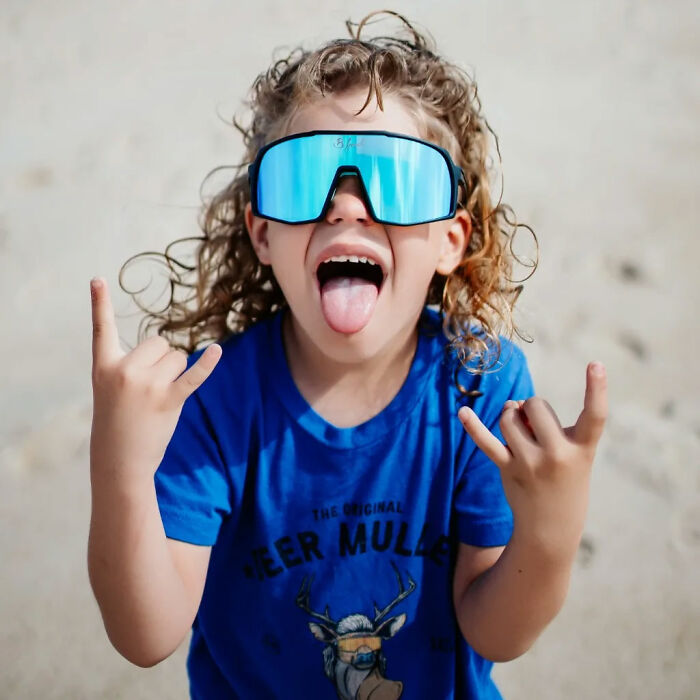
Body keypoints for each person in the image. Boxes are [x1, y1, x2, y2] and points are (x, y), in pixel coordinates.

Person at [87, 10, 608, 699]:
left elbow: (498, 634)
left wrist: (552, 528)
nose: (345, 207)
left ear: (451, 240)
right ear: (263, 233)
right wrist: (119, 469)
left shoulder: (478, 384)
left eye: (396, 179)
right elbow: (144, 635)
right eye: (305, 179)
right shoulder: (212, 397)